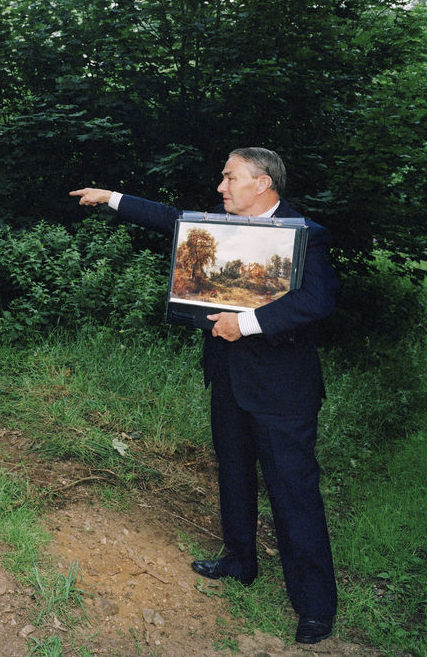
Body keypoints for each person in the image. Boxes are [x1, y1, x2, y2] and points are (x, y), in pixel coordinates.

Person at [70, 147, 339, 646]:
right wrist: (112, 198)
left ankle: (315, 605)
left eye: (229, 177)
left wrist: (248, 323)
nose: (220, 186)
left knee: (294, 493)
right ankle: (239, 561)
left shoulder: (306, 233)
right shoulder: (219, 223)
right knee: (233, 475)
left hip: (282, 393)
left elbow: (317, 300)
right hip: (228, 381)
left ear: (261, 183)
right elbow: (171, 220)